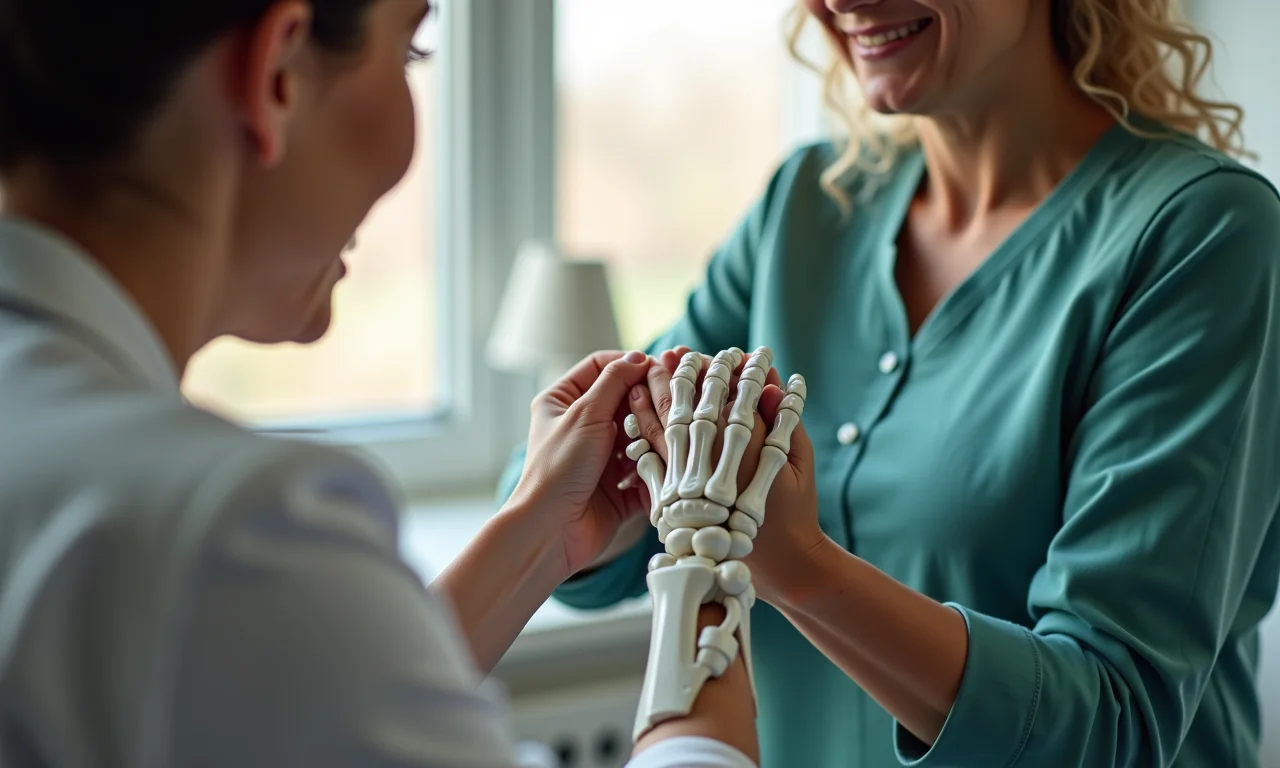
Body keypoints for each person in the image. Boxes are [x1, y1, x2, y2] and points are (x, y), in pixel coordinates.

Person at [499, 0, 1280, 765]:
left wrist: (800, 567)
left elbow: (1116, 725)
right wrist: (613, 491)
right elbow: (586, 511)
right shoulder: (806, 205)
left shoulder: (1204, 235)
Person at [0, 1, 766, 765]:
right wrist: (705, 551)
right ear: (278, 74)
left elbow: (301, 712)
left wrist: (540, 532)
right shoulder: (229, 536)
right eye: (411, 51)